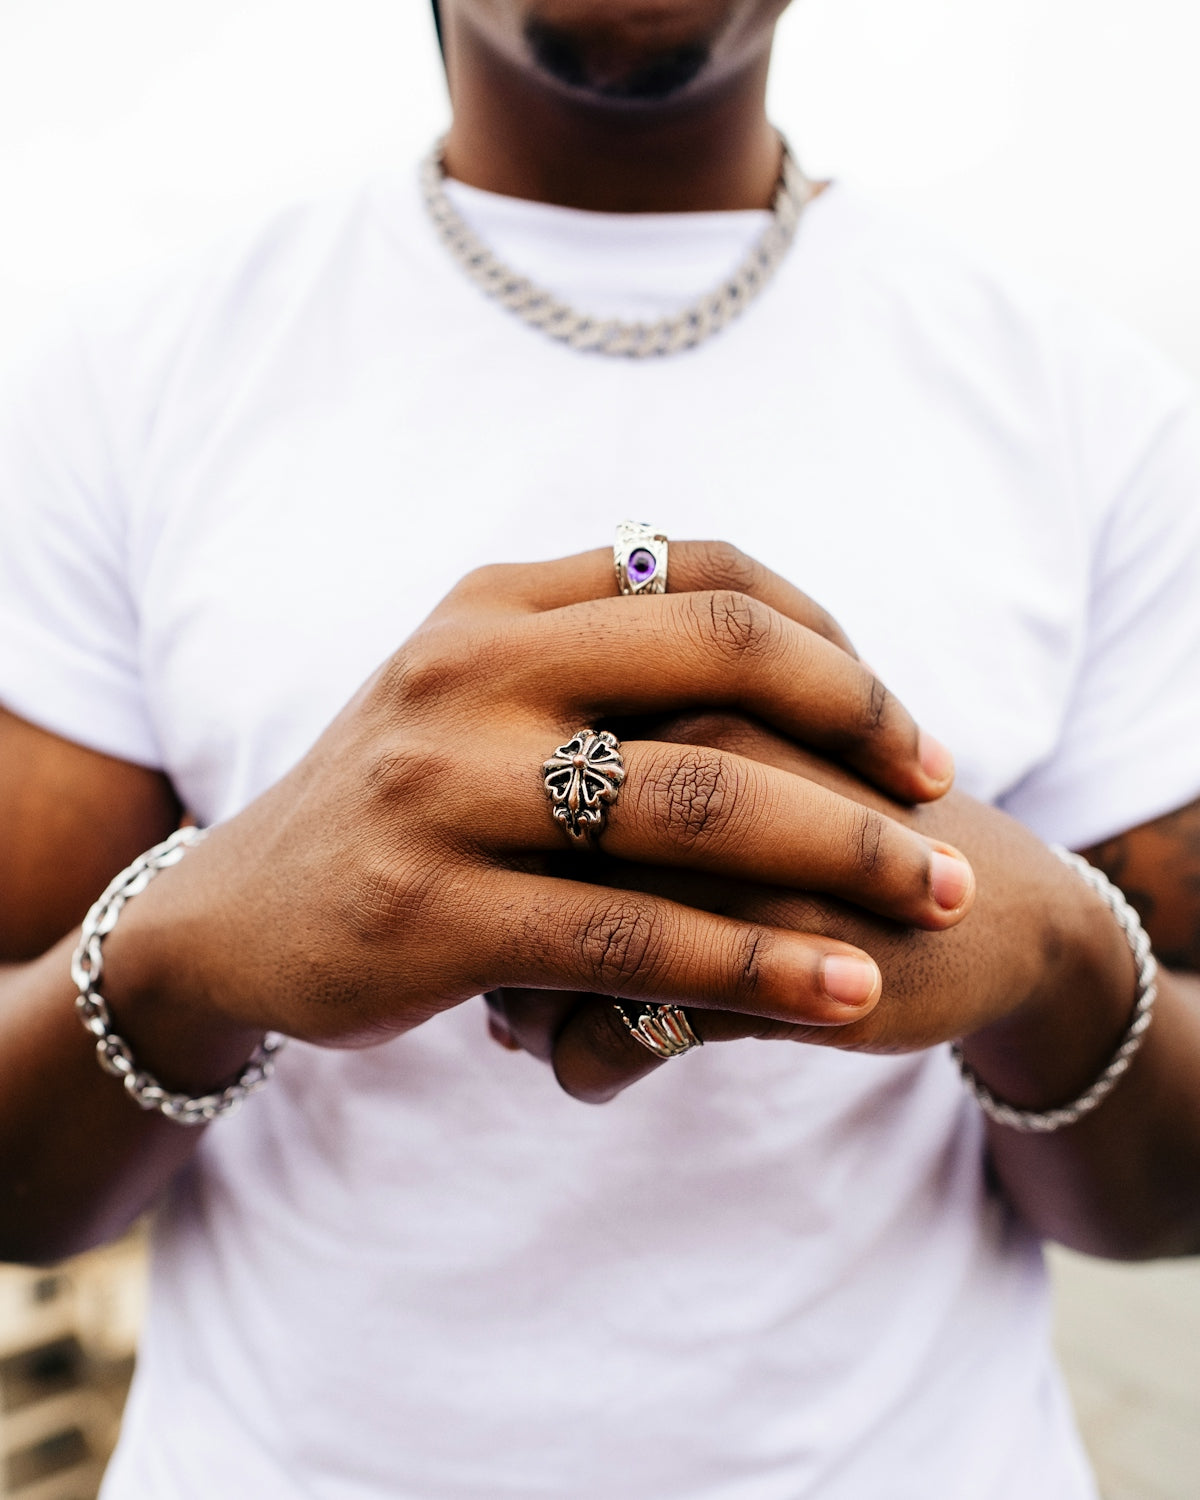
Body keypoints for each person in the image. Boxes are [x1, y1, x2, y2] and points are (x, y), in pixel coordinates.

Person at [1, 1, 1199, 1495]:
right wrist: (200, 943)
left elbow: (1174, 1201)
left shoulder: (1099, 411)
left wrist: (1049, 953)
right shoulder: (124, 379)